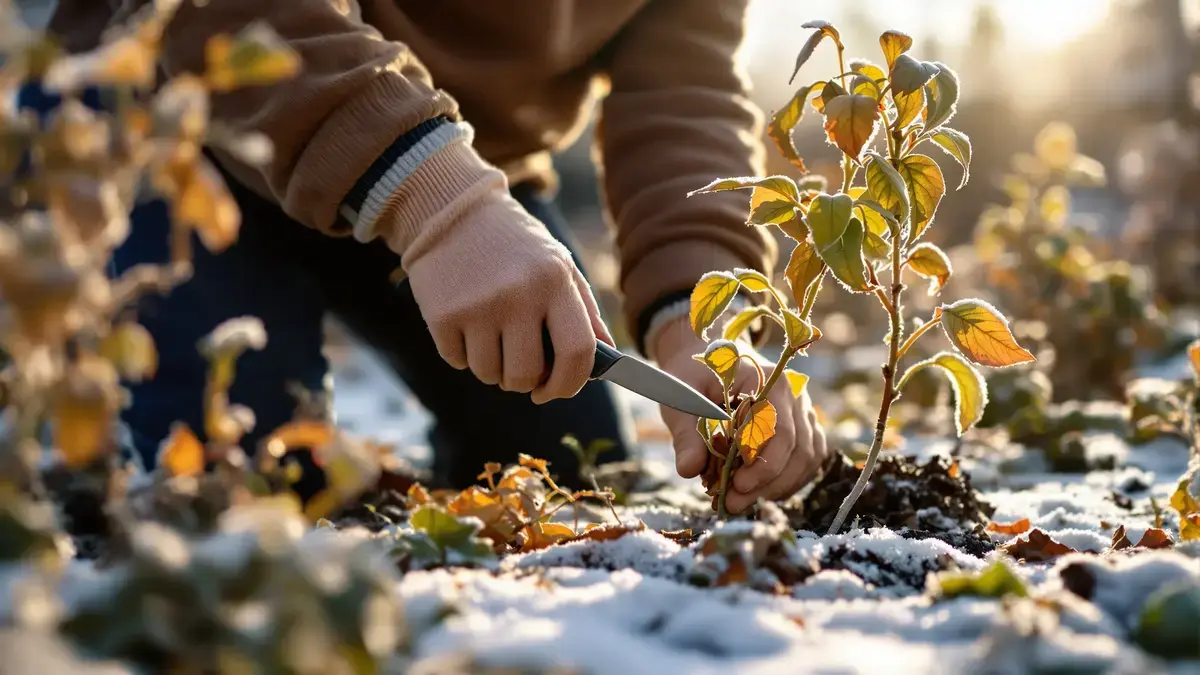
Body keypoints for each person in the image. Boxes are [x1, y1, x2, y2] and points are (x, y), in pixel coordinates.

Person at [39, 0, 828, 513]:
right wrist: (439, 205)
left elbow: (682, 104)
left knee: (559, 468)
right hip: (167, 119)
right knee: (242, 496)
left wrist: (707, 320)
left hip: (447, 168)